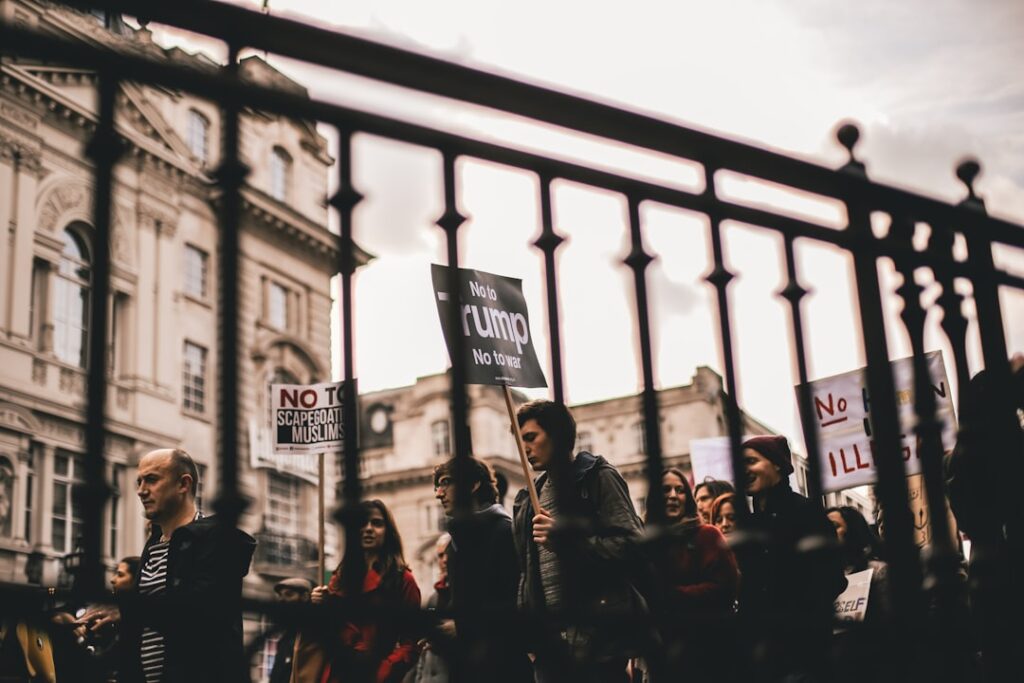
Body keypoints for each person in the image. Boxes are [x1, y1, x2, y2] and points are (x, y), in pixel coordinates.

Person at [77, 448, 256, 683]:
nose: (141, 491)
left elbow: (202, 613)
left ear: (183, 484)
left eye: (151, 479)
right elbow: (147, 630)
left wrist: (127, 611)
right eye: (139, 482)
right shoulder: (153, 546)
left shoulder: (218, 539)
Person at [512, 400, 646, 683]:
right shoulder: (528, 498)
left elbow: (633, 546)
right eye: (519, 440)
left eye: (531, 438)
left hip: (598, 640)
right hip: (549, 647)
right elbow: (526, 572)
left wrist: (566, 540)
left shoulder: (597, 478)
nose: (524, 449)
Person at [736, 435, 845, 680]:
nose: (744, 469)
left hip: (801, 649)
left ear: (777, 464)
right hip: (758, 651)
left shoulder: (806, 512)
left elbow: (833, 578)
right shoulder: (749, 524)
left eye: (751, 461)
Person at [296, 500, 421, 683]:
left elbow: (411, 643)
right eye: (362, 523)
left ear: (388, 531)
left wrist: (383, 670)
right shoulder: (340, 577)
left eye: (377, 523)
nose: (368, 528)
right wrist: (318, 605)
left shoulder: (403, 579)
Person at [432, 457, 531, 682]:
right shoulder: (455, 543)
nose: (439, 494)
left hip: (503, 669)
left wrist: (462, 627)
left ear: (474, 485)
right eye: (437, 486)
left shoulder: (505, 532)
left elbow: (517, 604)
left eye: (446, 482)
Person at [643, 469, 739, 682]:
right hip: (665, 648)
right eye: (665, 490)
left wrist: (673, 595)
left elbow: (726, 587)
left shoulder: (707, 535)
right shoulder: (646, 542)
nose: (673, 495)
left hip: (710, 645)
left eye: (680, 490)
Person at [409, 534, 451, 683]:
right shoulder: (434, 598)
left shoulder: (465, 596)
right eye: (440, 556)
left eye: (448, 553)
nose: (444, 560)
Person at [269, 578, 312, 683]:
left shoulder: (309, 635)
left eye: (289, 594)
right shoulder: (286, 636)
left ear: (305, 597)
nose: (282, 600)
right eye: (280, 595)